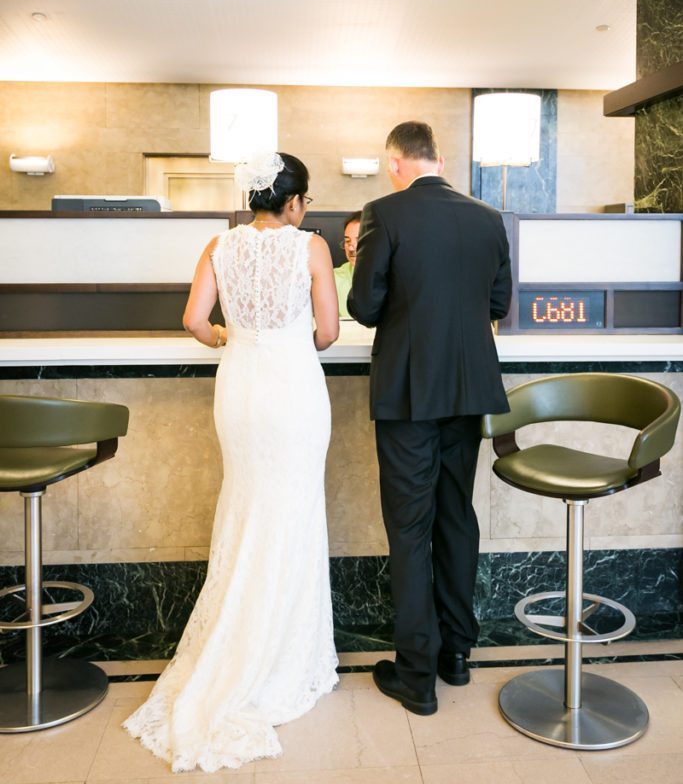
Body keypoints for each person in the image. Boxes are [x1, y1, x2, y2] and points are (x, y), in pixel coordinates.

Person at [123, 152, 340, 772]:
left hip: (241, 387)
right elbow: (326, 333)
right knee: (292, 509)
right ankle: (280, 657)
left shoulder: (217, 244)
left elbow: (194, 319)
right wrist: (293, 334)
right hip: (294, 389)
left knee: (246, 506)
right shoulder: (312, 248)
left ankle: (232, 647)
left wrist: (228, 337)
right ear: (295, 203)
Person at [347, 121, 511, 717]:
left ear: (395, 163)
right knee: (456, 516)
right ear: (439, 159)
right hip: (467, 391)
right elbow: (497, 305)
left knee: (410, 528)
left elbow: (362, 306)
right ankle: (458, 655)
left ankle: (416, 673)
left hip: (409, 393)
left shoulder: (383, 213)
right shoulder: (489, 219)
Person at [333, 211, 362, 318]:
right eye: (347, 241)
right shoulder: (333, 278)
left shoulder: (394, 277)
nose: (351, 248)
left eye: (358, 240)